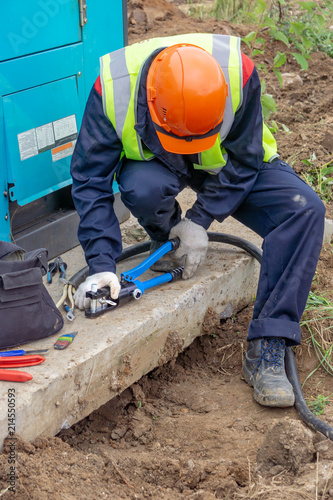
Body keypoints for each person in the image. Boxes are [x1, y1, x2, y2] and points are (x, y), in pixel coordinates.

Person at [70, 33, 326, 408]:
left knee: (304, 210)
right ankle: (166, 237)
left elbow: (246, 159)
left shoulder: (239, 75)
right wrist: (102, 266)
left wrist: (200, 218)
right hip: (156, 165)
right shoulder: (113, 90)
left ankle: (269, 343)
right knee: (142, 187)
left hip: (226, 163)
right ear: (151, 106)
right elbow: (90, 180)